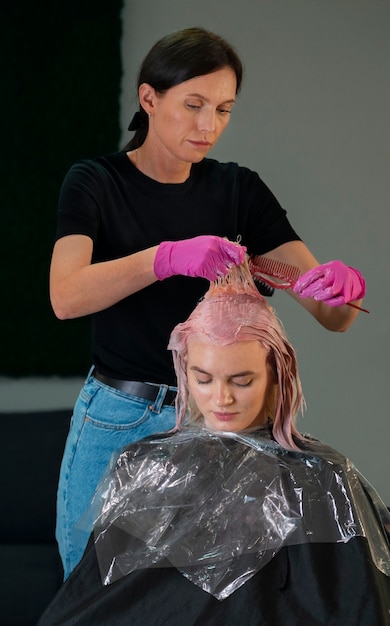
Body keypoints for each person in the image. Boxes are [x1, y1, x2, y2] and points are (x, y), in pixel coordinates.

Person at [49, 26, 367, 579]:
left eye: (223, 109)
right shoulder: (95, 183)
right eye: (193, 105)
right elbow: (66, 295)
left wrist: (339, 287)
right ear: (149, 99)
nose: (208, 126)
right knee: (92, 584)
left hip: (220, 420)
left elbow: (331, 315)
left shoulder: (239, 191)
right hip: (122, 416)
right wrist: (167, 257)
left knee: (211, 594)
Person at [39, 262, 390, 626]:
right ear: (183, 371)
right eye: (204, 379)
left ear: (275, 375)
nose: (222, 399)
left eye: (242, 381)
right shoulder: (143, 466)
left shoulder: (321, 478)